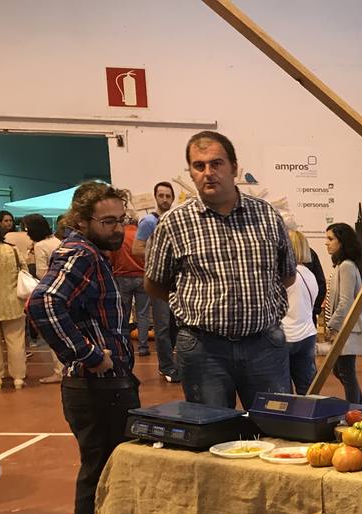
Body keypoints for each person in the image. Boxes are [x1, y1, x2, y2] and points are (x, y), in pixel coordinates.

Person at [26, 181, 139, 514]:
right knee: (99, 482)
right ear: (81, 221)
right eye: (107, 221)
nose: (116, 228)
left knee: (102, 479)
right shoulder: (81, 254)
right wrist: (89, 353)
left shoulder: (94, 255)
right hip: (97, 388)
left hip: (105, 386)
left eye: (120, 220)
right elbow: (42, 304)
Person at [144, 130, 295, 408]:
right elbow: (154, 283)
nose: (208, 173)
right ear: (190, 172)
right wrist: (193, 305)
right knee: (211, 435)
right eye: (198, 166)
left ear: (234, 167)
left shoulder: (266, 216)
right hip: (203, 351)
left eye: (216, 164)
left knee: (276, 432)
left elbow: (286, 274)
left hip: (264, 347)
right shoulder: (174, 224)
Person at [132, 181, 179, 382]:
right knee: (162, 325)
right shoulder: (149, 222)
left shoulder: (174, 220)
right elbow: (137, 249)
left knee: (176, 324)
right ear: (156, 197)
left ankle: (174, 363)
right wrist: (162, 256)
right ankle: (166, 367)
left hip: (176, 282)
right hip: (159, 281)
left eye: (168, 196)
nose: (165, 199)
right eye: (161, 195)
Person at [324, 222, 362, 404]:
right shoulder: (341, 266)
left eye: (330, 239)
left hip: (347, 329)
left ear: (342, 242)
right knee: (340, 370)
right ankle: (359, 402)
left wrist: (333, 326)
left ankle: (355, 409)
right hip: (344, 328)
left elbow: (345, 301)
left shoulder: (347, 267)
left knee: (346, 371)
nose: (326, 243)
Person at [0, 219, 27, 389]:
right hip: (12, 301)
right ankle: (18, 377)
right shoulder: (12, 250)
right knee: (16, 340)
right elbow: (23, 269)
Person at [27, 215, 66, 384]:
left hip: (51, 292)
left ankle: (59, 371)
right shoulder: (57, 241)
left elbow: (42, 272)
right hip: (67, 289)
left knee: (53, 332)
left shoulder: (40, 246)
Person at [109, 216, 151, 356]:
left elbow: (112, 257)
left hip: (122, 276)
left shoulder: (119, 236)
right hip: (141, 276)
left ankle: (124, 346)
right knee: (143, 314)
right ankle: (143, 347)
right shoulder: (142, 236)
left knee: (123, 313)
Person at [284, 229, 319, 393]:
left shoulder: (286, 275)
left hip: (286, 336)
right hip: (308, 335)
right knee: (307, 388)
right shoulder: (309, 274)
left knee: (283, 390)